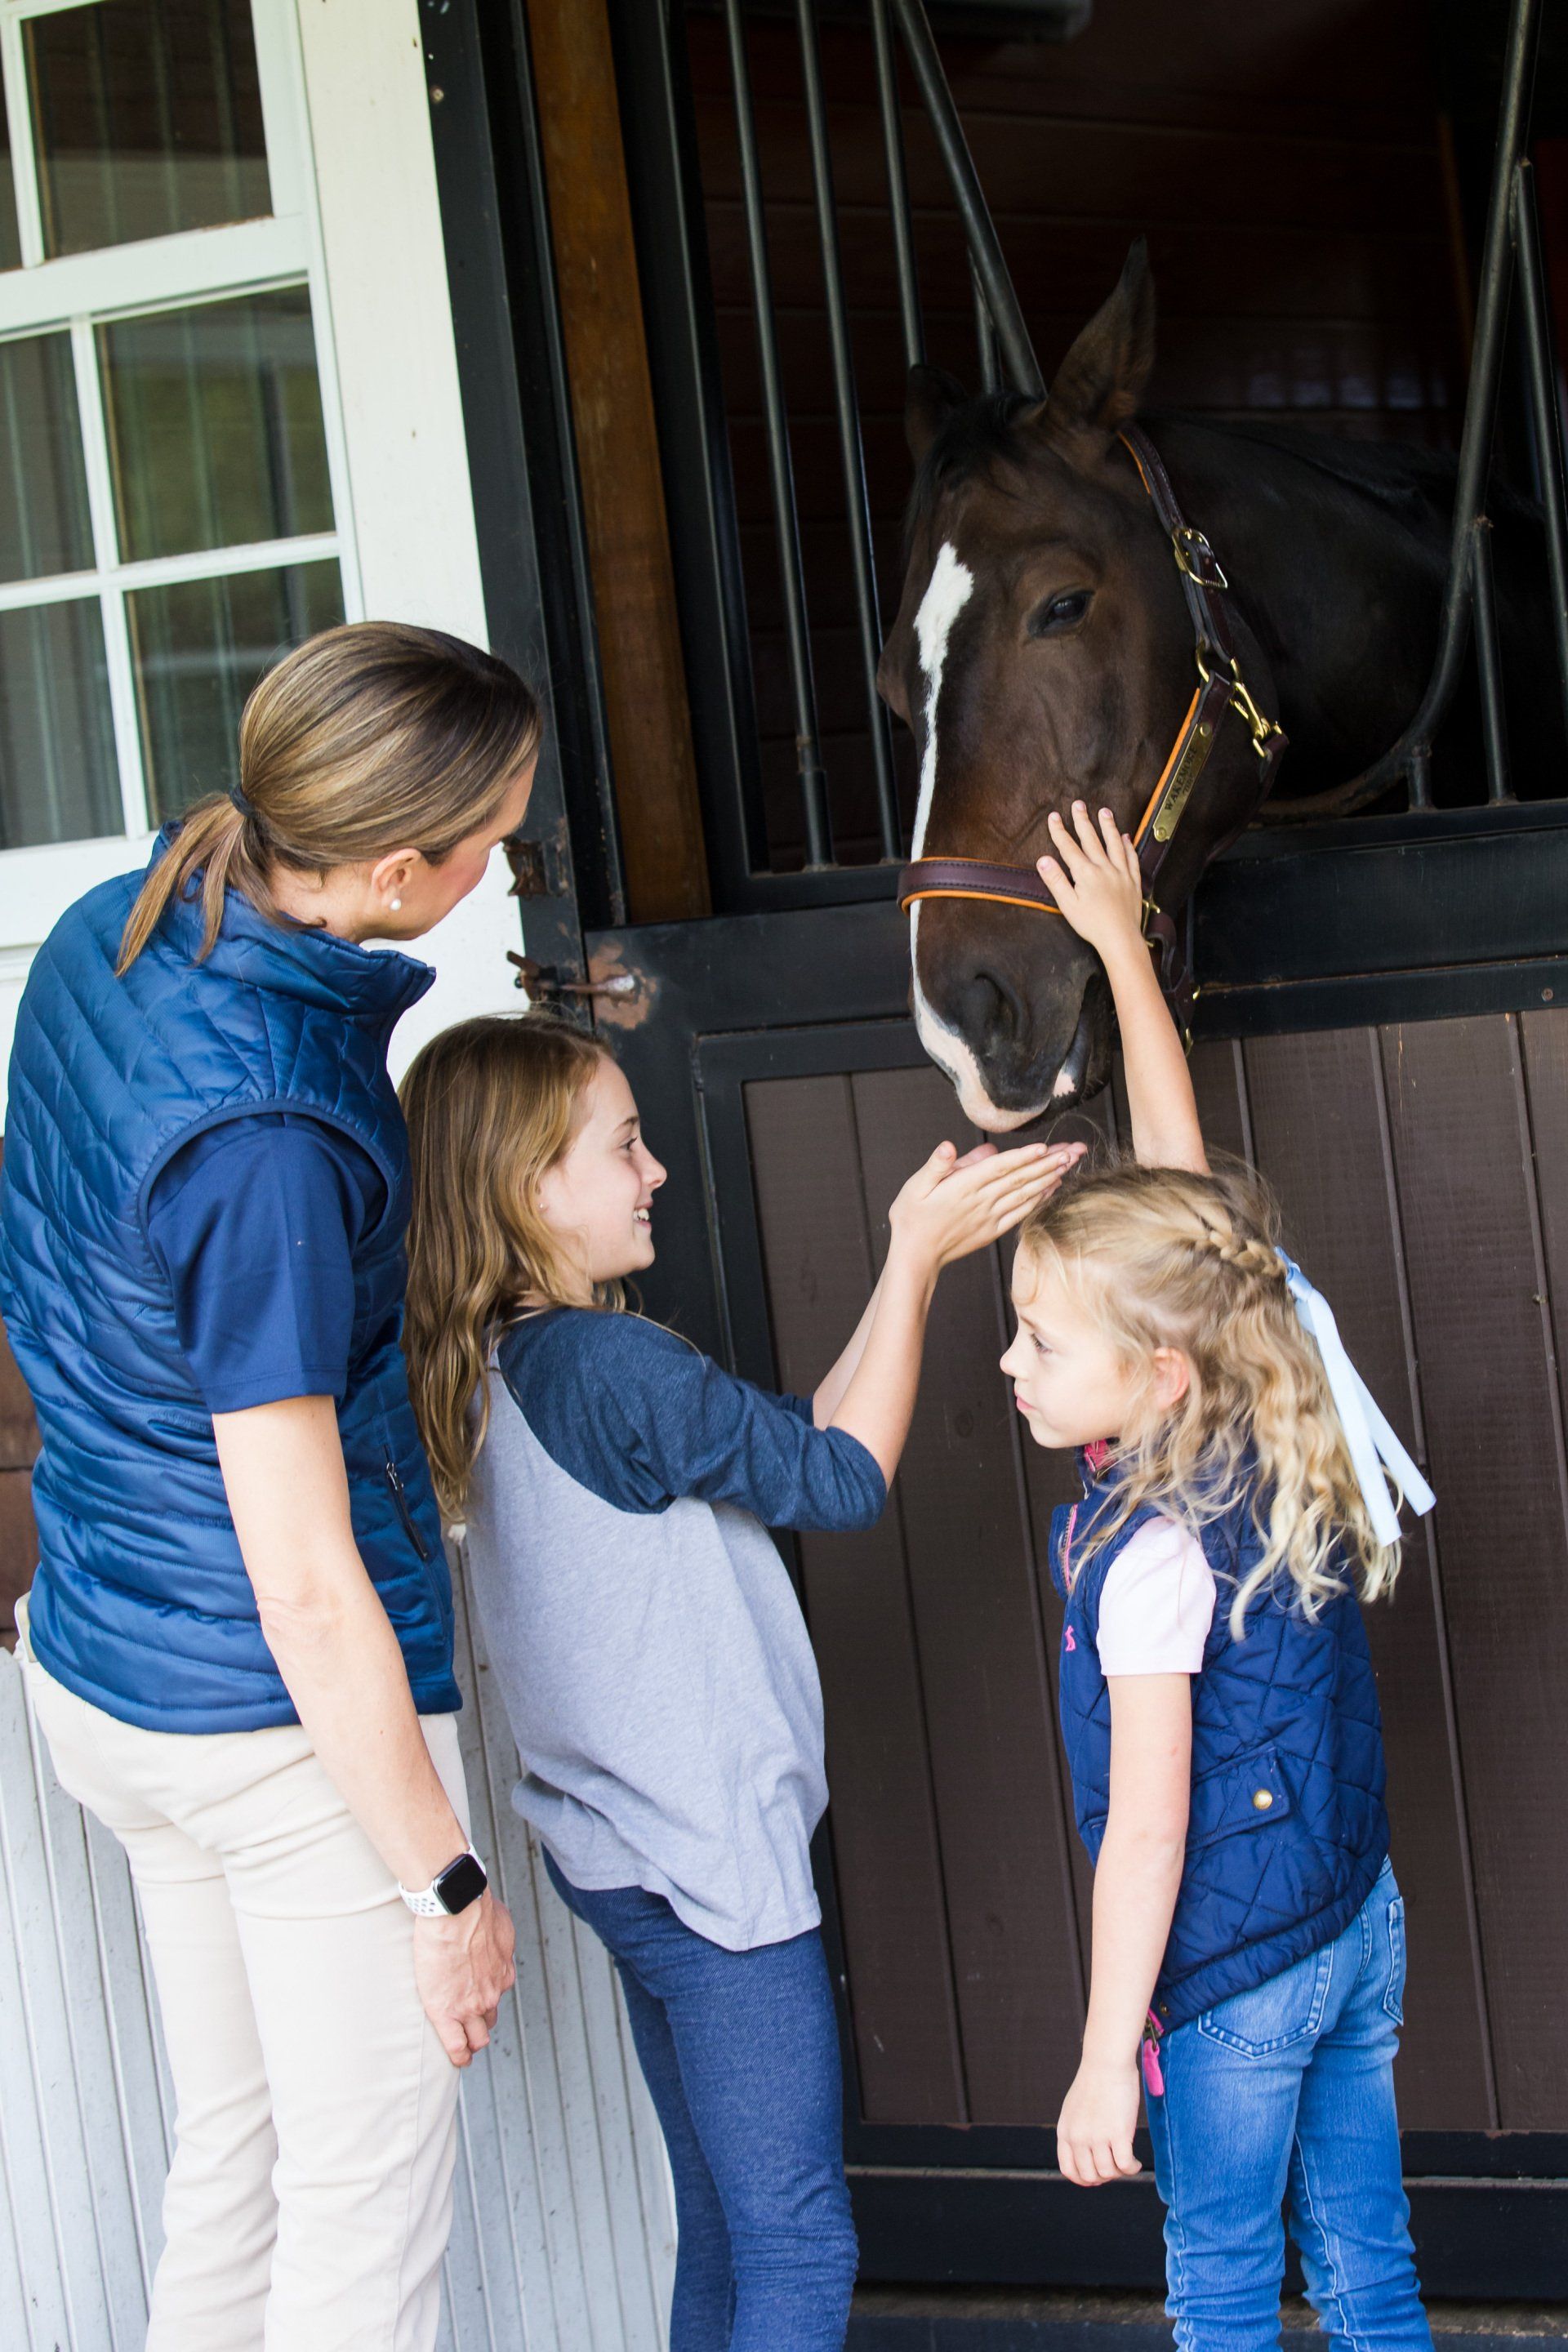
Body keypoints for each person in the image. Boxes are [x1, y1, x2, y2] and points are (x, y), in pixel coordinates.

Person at [0, 622, 537, 2352]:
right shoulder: (271, 1145)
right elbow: (304, 1578)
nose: (506, 857)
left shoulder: (123, 920)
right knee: (361, 2242)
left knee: (239, 2176)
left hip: (112, 1662)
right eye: (491, 835)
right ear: (394, 872)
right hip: (266, 1725)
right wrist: (443, 1886)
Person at [398, 1009, 1078, 2352]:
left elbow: (796, 1441)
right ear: (530, 1186)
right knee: (796, 2237)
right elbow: (843, 1477)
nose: (655, 1173)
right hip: (714, 1873)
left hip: (625, 1866)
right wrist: (920, 1259)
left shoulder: (505, 1363)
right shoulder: (613, 1363)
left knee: (720, 2218)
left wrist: (905, 1263)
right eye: (627, 1146)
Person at [999, 804, 1435, 2350]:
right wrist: (1123, 947)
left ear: (1156, 1371)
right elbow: (1184, 1203)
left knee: (1225, 2290)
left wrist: (1110, 2051)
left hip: (1236, 1983)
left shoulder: (1145, 1558)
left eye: (1042, 1339)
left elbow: (1151, 1829)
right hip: (1351, 1919)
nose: (1011, 1363)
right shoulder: (1261, 1402)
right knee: (1370, 2260)